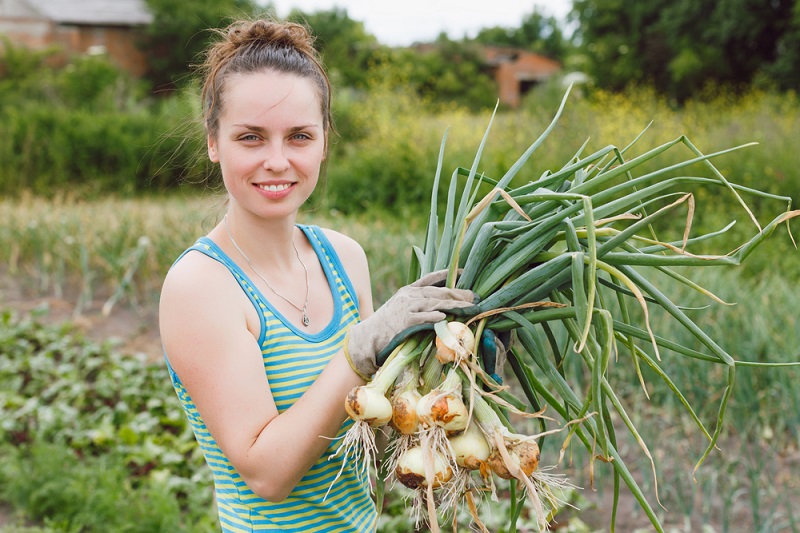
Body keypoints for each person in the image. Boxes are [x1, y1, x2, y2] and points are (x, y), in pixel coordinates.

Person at [158, 18, 478, 533]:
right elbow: (267, 473)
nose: (277, 161)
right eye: (251, 138)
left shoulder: (344, 258)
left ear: (325, 142)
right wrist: (359, 351)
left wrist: (459, 369)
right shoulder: (202, 286)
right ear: (214, 142)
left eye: (299, 136)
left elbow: (369, 430)